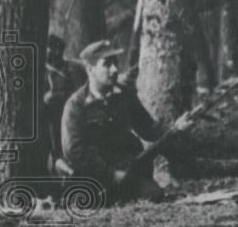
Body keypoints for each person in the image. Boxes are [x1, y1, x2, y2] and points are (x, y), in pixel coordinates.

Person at [60, 39, 164, 203]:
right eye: (107, 64)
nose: (115, 69)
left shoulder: (124, 95)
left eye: (115, 63)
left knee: (154, 194)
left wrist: (176, 130)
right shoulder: (76, 105)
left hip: (126, 174)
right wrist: (110, 175)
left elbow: (148, 129)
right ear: (90, 69)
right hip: (92, 179)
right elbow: (75, 152)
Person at [43, 35, 86, 173]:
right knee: (55, 149)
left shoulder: (72, 68)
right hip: (51, 116)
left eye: (51, 48)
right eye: (48, 48)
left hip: (71, 114)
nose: (49, 51)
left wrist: (55, 96)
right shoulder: (42, 71)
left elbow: (80, 92)